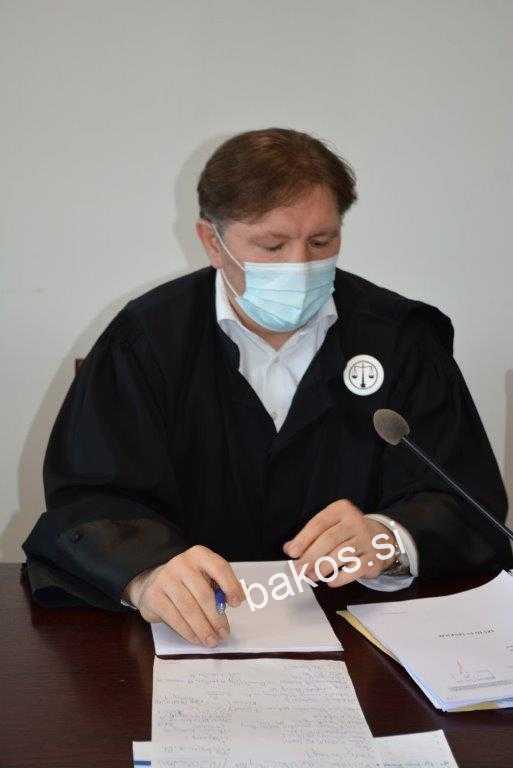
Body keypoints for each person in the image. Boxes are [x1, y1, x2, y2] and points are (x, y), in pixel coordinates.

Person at [21, 127, 513, 648]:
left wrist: (390, 537)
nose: (300, 266)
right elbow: (87, 500)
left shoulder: (402, 339)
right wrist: (145, 572)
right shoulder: (145, 342)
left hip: (365, 639)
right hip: (191, 636)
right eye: (272, 245)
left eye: (321, 242)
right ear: (212, 241)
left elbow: (468, 500)